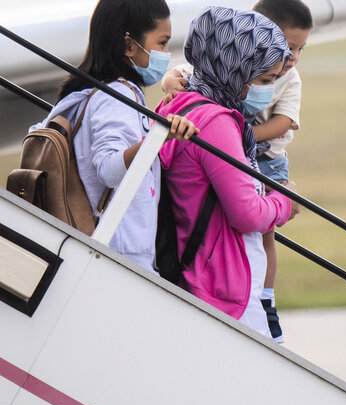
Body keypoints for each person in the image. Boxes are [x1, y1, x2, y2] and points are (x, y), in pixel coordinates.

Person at [160, 0, 312, 343]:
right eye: (262, 79)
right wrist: (287, 201)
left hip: (200, 278)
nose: (266, 90)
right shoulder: (218, 123)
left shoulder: (183, 104)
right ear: (235, 69)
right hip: (221, 290)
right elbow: (247, 214)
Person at [31, 0, 197, 270]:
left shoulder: (94, 92)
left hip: (112, 249)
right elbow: (108, 169)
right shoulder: (117, 97)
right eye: (163, 42)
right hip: (119, 253)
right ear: (130, 45)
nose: (166, 52)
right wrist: (161, 134)